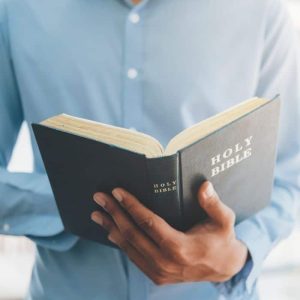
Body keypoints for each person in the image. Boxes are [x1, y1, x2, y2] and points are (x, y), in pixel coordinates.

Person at [0, 0, 299, 299]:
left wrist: (238, 256)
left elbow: (291, 174)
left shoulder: (261, 11)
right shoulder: (18, 10)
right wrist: (76, 205)